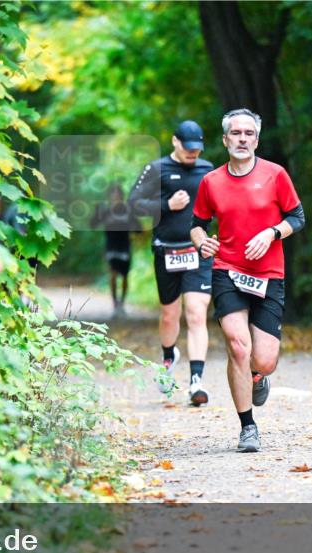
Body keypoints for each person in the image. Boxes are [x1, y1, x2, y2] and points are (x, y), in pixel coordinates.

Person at [190, 108, 305, 452]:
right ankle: (247, 427)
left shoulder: (275, 175)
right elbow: (196, 224)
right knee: (238, 346)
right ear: (225, 140)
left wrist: (271, 233)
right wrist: (201, 242)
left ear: (257, 139)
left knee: (264, 360)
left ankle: (258, 376)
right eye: (235, 133)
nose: (242, 139)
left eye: (248, 133)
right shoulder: (211, 181)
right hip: (227, 270)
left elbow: (297, 217)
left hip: (268, 274)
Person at [128, 120, 214, 406]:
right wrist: (167, 205)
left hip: (198, 251)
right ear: (175, 142)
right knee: (169, 314)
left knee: (196, 312)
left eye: (197, 150)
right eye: (189, 149)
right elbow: (133, 202)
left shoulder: (208, 169)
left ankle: (196, 382)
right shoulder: (157, 169)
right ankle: (169, 355)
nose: (193, 155)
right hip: (167, 250)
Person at [90, 183, 138, 318]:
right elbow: (93, 224)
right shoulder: (105, 211)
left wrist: (135, 235)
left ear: (121, 197)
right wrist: (97, 213)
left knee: (124, 276)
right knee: (112, 274)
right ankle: (115, 305)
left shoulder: (128, 211)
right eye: (113, 195)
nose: (115, 198)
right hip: (111, 248)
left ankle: (122, 304)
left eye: (118, 195)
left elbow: (138, 228)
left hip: (125, 247)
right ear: (110, 197)